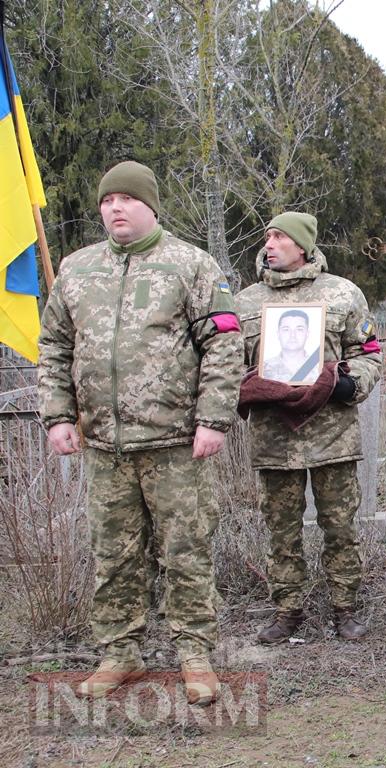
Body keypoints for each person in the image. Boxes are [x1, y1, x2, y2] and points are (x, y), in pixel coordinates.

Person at [37, 160, 243, 705]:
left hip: (176, 443)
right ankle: (120, 654)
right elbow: (54, 347)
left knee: (186, 550)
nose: (116, 209)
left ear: (150, 205)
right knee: (113, 553)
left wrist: (213, 419)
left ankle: (195, 655)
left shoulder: (190, 266)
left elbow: (223, 346)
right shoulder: (77, 271)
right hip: (104, 445)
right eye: (107, 201)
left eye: (126, 199)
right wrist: (58, 415)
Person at [235, 212, 382, 642]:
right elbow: (225, 363)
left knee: (340, 528)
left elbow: (369, 352)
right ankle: (287, 612)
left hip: (331, 434)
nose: (270, 243)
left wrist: (347, 382)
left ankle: (346, 610)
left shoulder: (342, 293)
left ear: (302, 245)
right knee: (281, 532)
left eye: (280, 236)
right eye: (267, 236)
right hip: (273, 439)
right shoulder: (246, 302)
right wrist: (246, 386)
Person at [262, 308, 321, 384]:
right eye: (286, 329)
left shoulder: (319, 366)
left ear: (307, 334)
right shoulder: (264, 367)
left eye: (299, 329)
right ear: (278, 334)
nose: (292, 335)